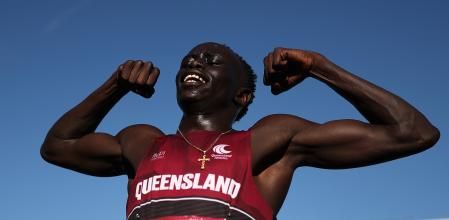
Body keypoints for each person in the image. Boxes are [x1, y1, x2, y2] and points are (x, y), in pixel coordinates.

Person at [41, 42, 439, 220]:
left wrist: (320, 66)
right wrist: (115, 86)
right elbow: (58, 147)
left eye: (211, 61)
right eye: (190, 58)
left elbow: (413, 132)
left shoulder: (271, 141)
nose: (196, 61)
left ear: (242, 96)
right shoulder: (142, 141)